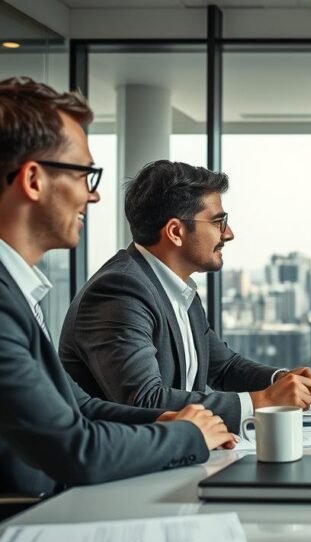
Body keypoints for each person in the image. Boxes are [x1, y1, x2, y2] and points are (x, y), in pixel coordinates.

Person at [0, 76, 234, 496]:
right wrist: (188, 435)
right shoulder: (7, 302)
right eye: (84, 175)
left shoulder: (17, 292)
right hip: (25, 521)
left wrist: (165, 422)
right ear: (33, 180)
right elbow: (75, 449)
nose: (94, 197)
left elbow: (79, 407)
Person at [59, 160, 311, 435]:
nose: (228, 234)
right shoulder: (120, 290)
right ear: (175, 232)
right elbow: (145, 400)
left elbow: (224, 367)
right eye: (219, 222)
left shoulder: (178, 288)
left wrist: (279, 379)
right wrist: (263, 401)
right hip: (128, 470)